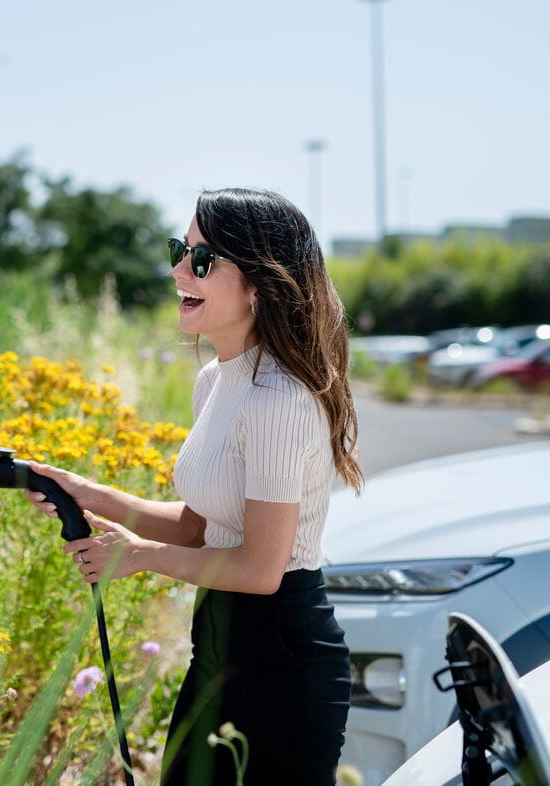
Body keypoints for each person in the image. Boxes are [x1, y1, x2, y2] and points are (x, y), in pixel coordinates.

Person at [25, 188, 361, 785]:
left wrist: (137, 557)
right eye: (181, 250)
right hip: (219, 641)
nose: (180, 268)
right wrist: (91, 493)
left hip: (284, 657)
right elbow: (197, 525)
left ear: (259, 286)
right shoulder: (215, 380)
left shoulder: (281, 398)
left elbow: (261, 570)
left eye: (202, 260)